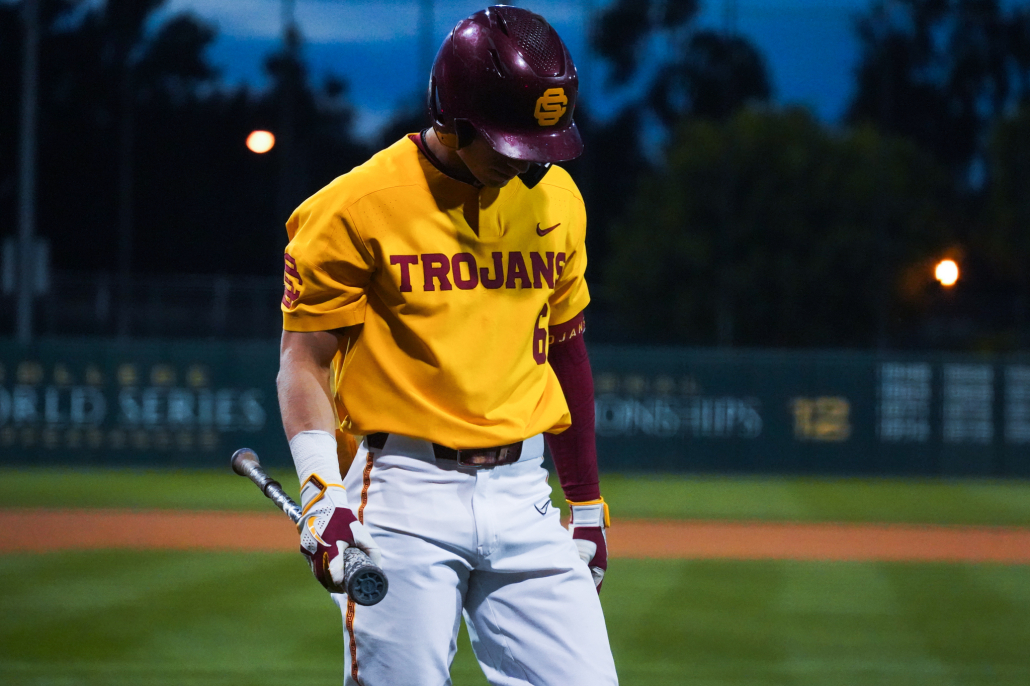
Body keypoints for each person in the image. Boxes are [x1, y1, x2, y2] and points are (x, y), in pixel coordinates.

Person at [276, 6, 618, 685]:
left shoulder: (556, 198)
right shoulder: (354, 207)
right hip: (402, 493)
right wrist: (321, 494)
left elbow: (566, 350)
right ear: (452, 119)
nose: (529, 167)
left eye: (543, 144)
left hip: (525, 494)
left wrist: (585, 503)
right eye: (512, 144)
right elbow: (303, 363)